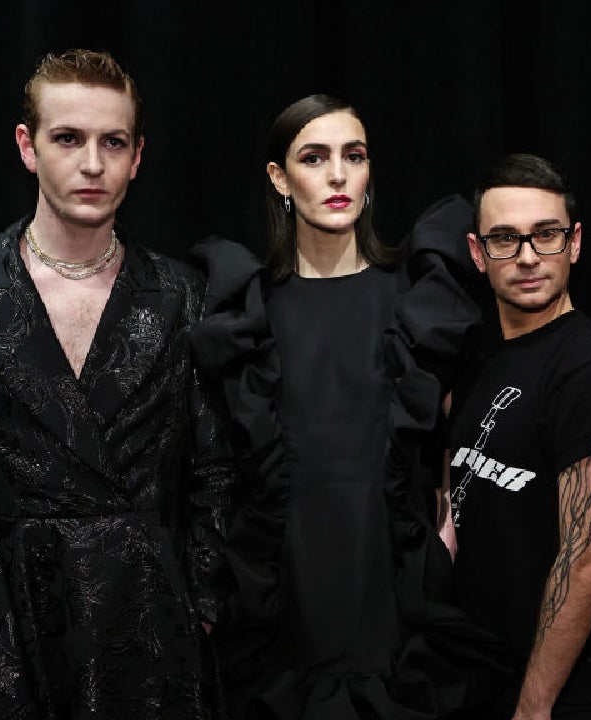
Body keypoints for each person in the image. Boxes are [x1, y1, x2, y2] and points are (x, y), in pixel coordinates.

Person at [0, 49, 234, 719]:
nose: (92, 164)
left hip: (147, 634)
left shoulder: (184, 297)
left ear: (138, 156)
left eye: (113, 142)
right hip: (3, 626)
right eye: (68, 138)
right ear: (28, 146)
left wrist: (202, 606)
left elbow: (214, 468)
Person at [189, 94, 506, 720]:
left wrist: (445, 523)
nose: (337, 175)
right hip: (288, 593)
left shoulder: (418, 300)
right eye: (314, 158)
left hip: (393, 586)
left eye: (353, 156)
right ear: (280, 178)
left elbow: (455, 423)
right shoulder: (248, 314)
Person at [444, 153, 591, 719]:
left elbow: (586, 562)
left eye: (546, 234)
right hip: (481, 674)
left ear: (574, 243)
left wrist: (533, 709)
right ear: (478, 253)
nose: (528, 256)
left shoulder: (587, 367)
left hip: (560, 697)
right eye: (505, 239)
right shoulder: (481, 360)